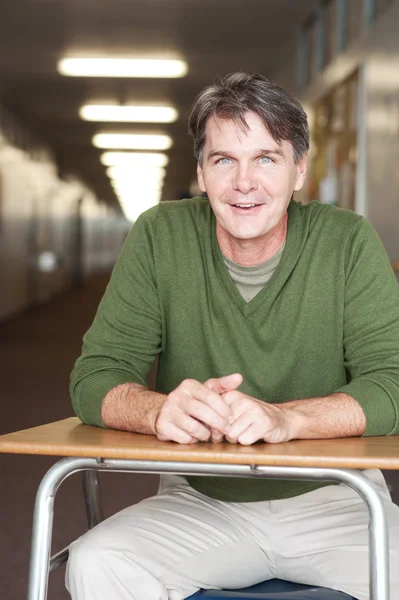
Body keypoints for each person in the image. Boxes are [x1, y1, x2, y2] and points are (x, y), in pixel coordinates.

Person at [67, 73, 399, 600]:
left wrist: (287, 419)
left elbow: (392, 382)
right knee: (97, 563)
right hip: (200, 498)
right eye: (224, 160)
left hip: (336, 496)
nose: (245, 182)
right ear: (201, 172)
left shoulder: (348, 242)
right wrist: (157, 411)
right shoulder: (160, 235)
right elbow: (96, 376)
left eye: (266, 158)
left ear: (298, 171)